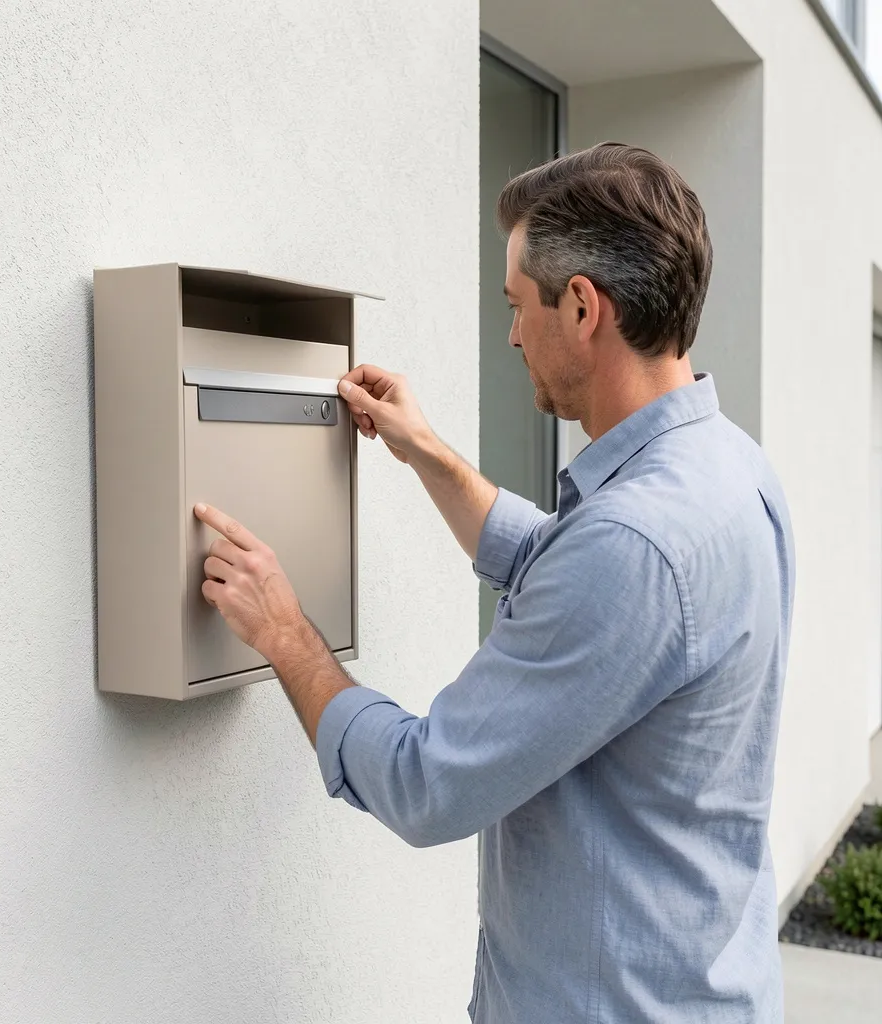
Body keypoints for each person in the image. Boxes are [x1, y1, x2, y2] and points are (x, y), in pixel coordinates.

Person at [193, 142, 794, 1023]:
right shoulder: (727, 469)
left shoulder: (632, 545)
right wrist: (429, 453)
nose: (511, 334)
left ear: (583, 307)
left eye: (517, 306)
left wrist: (287, 633)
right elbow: (580, 580)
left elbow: (428, 783)